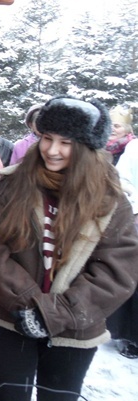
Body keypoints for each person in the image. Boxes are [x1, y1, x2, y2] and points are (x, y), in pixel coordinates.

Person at [0, 96, 138, 401]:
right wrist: (28, 303)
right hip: (12, 319)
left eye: (66, 142)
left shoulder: (110, 199)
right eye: (47, 138)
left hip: (75, 330)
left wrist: (56, 313)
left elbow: (118, 269)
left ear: (88, 148)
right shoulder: (10, 184)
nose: (52, 150)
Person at [105, 105, 138, 359]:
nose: (113, 131)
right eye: (111, 125)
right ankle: (121, 329)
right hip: (117, 214)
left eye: (117, 126)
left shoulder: (132, 147)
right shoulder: (118, 150)